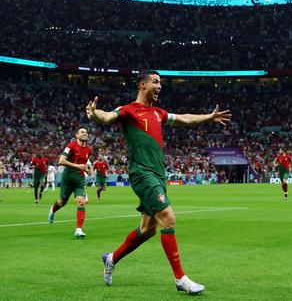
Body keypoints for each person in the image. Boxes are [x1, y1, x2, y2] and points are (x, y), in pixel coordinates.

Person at [86, 70, 231, 295]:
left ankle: (111, 258)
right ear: (142, 85)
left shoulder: (157, 113)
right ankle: (180, 279)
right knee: (169, 219)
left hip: (158, 175)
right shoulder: (129, 110)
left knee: (148, 229)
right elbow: (107, 117)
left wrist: (208, 117)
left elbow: (184, 118)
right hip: (142, 174)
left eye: (160, 82)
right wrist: (95, 114)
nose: (160, 86)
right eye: (155, 82)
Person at [47, 127, 92, 238]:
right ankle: (53, 210)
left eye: (86, 132)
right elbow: (61, 161)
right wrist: (78, 166)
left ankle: (78, 229)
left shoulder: (88, 150)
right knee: (62, 202)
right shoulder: (70, 146)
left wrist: (87, 169)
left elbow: (83, 163)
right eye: (82, 132)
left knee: (81, 201)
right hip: (68, 178)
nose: (85, 134)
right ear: (76, 135)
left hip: (79, 179)